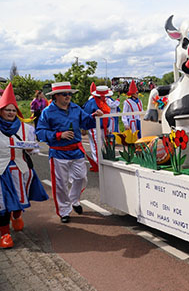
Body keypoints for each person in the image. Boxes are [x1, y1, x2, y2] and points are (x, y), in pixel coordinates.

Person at [36, 81, 103, 223]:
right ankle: (64, 211)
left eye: (69, 94)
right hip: (58, 153)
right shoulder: (47, 112)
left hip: (76, 151)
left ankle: (74, 200)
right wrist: (59, 135)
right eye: (64, 94)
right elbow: (40, 132)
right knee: (61, 184)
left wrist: (94, 116)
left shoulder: (75, 108)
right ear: (56, 96)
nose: (68, 96)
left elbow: (86, 122)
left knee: (81, 178)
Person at [0, 83, 49, 247]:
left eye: (13, 110)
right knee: (2, 203)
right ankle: (4, 234)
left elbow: (33, 149)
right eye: (7, 110)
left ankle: (17, 215)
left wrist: (30, 148)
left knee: (20, 200)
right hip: (1, 171)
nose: (11, 113)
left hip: (21, 170)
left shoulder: (25, 128)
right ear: (1, 110)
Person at [83, 85, 113, 171]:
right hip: (93, 127)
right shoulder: (91, 103)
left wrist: (107, 126)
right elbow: (86, 116)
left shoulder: (104, 102)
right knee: (96, 146)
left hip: (103, 127)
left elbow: (106, 116)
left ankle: (101, 163)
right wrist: (84, 128)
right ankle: (98, 165)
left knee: (102, 145)